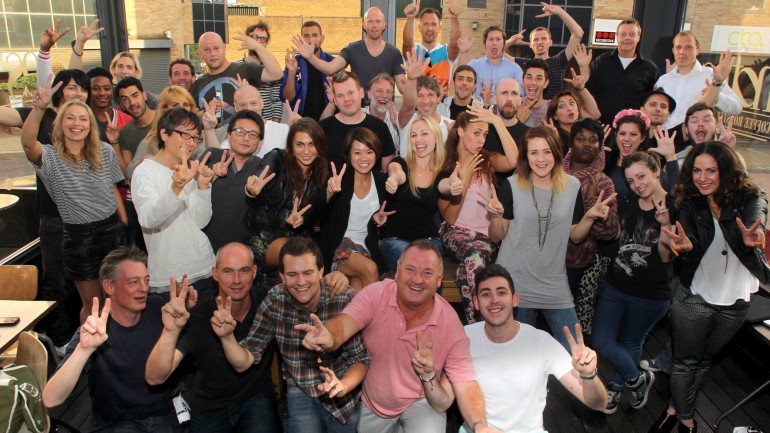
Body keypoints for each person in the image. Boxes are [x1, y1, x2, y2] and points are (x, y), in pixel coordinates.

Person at [296, 240, 502, 433]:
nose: (417, 279)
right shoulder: (376, 295)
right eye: (410, 269)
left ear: (439, 280)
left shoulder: (450, 323)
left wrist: (480, 424)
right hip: (375, 401)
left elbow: (465, 383)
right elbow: (344, 323)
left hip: (422, 400)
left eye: (427, 273)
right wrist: (328, 336)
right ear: (397, 273)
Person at [651, 142, 769, 433]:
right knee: (685, 362)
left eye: (711, 170)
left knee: (704, 360)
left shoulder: (751, 196)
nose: (703, 177)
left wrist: (754, 237)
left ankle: (673, 409)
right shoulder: (687, 200)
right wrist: (687, 245)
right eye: (697, 170)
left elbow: (757, 219)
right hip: (695, 296)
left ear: (726, 171)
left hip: (736, 300)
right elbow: (688, 235)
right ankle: (687, 422)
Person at [212, 237, 368, 433]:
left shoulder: (343, 298)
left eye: (307, 273)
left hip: (345, 392)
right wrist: (227, 337)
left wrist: (344, 385)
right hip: (301, 388)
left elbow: (360, 359)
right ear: (282, 277)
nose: (301, 282)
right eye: (292, 274)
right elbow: (244, 360)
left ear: (321, 272)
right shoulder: (275, 302)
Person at [486, 126, 615, 350]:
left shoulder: (573, 186)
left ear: (556, 152)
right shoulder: (512, 185)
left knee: (575, 350)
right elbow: (497, 235)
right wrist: (496, 217)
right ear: (526, 156)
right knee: (517, 353)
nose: (541, 159)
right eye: (533, 152)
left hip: (554, 283)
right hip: (515, 282)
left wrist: (589, 217)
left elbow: (575, 236)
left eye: (546, 151)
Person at [43, 246, 190, 432]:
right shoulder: (95, 329)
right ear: (109, 287)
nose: (144, 288)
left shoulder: (159, 309)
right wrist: (83, 350)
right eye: (133, 282)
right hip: (116, 423)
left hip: (161, 414)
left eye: (146, 280)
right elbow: (50, 398)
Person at [145, 242, 280, 432]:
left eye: (244, 270)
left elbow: (304, 287)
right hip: (210, 406)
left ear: (255, 272)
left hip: (255, 397)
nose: (236, 279)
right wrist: (170, 331)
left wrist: (336, 276)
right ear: (215, 274)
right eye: (228, 271)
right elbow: (155, 378)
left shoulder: (269, 300)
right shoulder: (199, 315)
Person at [22, 84, 127, 324]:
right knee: (93, 306)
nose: (76, 123)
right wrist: (39, 108)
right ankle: (89, 356)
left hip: (112, 230)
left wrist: (123, 220)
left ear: (91, 126)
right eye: (69, 118)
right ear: (60, 124)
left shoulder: (104, 151)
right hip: (79, 238)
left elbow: (114, 185)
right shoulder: (49, 156)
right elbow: (28, 144)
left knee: (118, 301)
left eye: (82, 119)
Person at [463, 264, 607, 432]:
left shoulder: (542, 343)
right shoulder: (464, 338)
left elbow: (598, 403)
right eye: (486, 294)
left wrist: (589, 375)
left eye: (501, 292)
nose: (494, 300)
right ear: (476, 303)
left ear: (515, 299)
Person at [592, 151, 674, 414]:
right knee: (602, 342)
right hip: (615, 285)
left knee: (631, 342)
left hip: (651, 294)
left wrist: (666, 225)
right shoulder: (626, 201)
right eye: (630, 180)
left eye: (641, 176)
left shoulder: (676, 206)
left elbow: (666, 256)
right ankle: (637, 379)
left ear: (656, 171)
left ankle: (616, 388)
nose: (637, 184)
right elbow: (613, 236)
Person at [440, 109, 518, 323]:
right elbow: (450, 219)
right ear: (461, 131)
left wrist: (497, 122)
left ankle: (474, 326)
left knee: (466, 274)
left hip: (485, 238)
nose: (481, 139)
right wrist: (462, 182)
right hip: (456, 234)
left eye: (485, 134)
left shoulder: (487, 160)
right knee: (474, 257)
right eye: (477, 133)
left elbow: (514, 161)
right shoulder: (447, 167)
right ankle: (488, 325)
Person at [131, 108, 216, 297]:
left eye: (195, 138)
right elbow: (148, 219)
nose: (191, 142)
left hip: (204, 266)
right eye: (185, 134)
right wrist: (176, 187)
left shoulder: (189, 169)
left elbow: (200, 221)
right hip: (169, 275)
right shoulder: (145, 171)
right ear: (164, 134)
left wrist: (202, 187)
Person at [244, 118, 329, 284]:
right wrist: (252, 189)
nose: (306, 151)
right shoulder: (278, 158)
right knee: (297, 254)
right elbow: (263, 171)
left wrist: (305, 217)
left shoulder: (323, 174)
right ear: (291, 146)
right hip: (264, 237)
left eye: (312, 144)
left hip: (301, 239)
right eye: (300, 144)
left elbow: (318, 213)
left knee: (305, 255)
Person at [380, 115, 458, 270]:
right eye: (413, 135)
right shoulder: (401, 163)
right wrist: (394, 179)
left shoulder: (441, 173)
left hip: (429, 241)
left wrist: (452, 185)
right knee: (416, 264)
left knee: (427, 269)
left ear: (436, 137)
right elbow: (396, 172)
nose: (418, 140)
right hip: (395, 240)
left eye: (424, 133)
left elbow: (444, 185)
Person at [321, 128, 391, 291]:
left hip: (365, 249)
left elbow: (387, 215)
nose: (364, 158)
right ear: (349, 155)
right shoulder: (340, 179)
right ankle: (376, 315)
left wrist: (377, 219)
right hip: (340, 247)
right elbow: (319, 210)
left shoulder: (381, 181)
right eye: (357, 153)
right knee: (370, 269)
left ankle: (358, 316)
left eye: (369, 152)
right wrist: (329, 194)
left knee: (357, 287)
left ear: (377, 153)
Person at [294, 7, 406, 95]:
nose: (374, 25)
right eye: (370, 21)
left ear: (384, 25)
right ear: (364, 25)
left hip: (384, 112)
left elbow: (402, 88)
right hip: (358, 112)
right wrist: (310, 57)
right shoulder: (352, 49)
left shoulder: (394, 53)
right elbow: (330, 68)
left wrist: (411, 79)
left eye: (378, 21)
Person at [562, 118, 619, 293]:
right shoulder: (552, 170)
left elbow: (609, 233)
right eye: (581, 139)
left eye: (593, 140)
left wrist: (591, 203)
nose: (587, 144)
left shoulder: (604, 183)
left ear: (600, 146)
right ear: (571, 142)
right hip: (542, 255)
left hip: (574, 260)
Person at [202, 110, 265, 252]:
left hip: (243, 252)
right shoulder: (211, 156)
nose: (246, 138)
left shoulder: (262, 169)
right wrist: (210, 178)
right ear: (229, 136)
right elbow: (191, 193)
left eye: (253, 134)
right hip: (203, 251)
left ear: (260, 142)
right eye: (239, 131)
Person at [188, 31, 282, 124]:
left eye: (216, 48)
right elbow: (190, 118)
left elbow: (276, 73)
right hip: (212, 137)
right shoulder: (197, 85)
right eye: (206, 50)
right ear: (200, 53)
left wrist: (257, 46)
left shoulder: (244, 69)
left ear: (224, 49)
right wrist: (204, 113)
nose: (212, 53)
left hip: (245, 136)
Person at [655, 31, 742, 130]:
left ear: (698, 50)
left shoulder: (710, 75)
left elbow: (737, 107)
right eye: (678, 47)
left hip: (697, 140)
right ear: (673, 50)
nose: (682, 51)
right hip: (664, 140)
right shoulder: (664, 80)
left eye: (688, 47)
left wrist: (715, 95)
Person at [586, 18, 659, 125]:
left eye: (632, 34)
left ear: (638, 37)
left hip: (633, 131)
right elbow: (588, 92)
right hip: (602, 127)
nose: (627, 38)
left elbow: (652, 102)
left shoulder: (650, 69)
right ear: (617, 37)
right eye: (623, 34)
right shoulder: (601, 62)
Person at [319, 70, 396, 170]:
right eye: (340, 95)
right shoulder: (323, 129)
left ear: (361, 93)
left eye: (350, 92)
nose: (346, 99)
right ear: (335, 100)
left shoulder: (380, 127)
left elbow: (389, 171)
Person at [507, 2, 586, 99]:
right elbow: (498, 54)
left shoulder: (559, 60)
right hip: (530, 112)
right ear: (530, 45)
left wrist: (559, 11)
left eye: (544, 39)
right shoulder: (524, 63)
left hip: (553, 112)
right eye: (536, 39)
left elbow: (578, 34)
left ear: (550, 42)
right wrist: (510, 41)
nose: (540, 42)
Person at [401, 1, 461, 93]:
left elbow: (455, 44)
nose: (429, 28)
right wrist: (410, 17)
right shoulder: (413, 51)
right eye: (425, 24)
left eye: (433, 24)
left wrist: (454, 18)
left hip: (441, 105)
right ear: (419, 27)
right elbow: (407, 43)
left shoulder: (446, 51)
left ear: (439, 28)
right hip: (416, 105)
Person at [397, 54, 450, 157]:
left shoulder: (450, 126)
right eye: (420, 96)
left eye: (430, 95)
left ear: (439, 97)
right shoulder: (407, 120)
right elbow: (408, 106)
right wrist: (411, 79)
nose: (426, 101)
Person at [282, 20, 335, 120]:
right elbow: (288, 98)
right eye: (306, 36)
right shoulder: (294, 62)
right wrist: (292, 73)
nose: (311, 40)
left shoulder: (332, 63)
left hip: (330, 120)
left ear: (322, 38)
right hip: (301, 122)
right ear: (302, 39)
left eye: (315, 35)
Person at [484, 77, 529, 184]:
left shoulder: (529, 135)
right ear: (494, 99)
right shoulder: (483, 132)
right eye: (504, 93)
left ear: (520, 100)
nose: (509, 98)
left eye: (514, 93)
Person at [463, 26, 524, 97]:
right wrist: (463, 53)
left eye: (498, 39)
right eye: (491, 39)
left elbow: (521, 93)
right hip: (478, 107)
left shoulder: (514, 68)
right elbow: (460, 78)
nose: (494, 43)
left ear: (504, 44)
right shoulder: (474, 65)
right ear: (485, 43)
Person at [242, 21, 283, 122]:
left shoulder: (273, 70)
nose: (258, 42)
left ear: (267, 43)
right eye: (254, 37)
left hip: (266, 124)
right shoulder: (237, 67)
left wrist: (274, 127)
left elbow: (276, 102)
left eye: (263, 39)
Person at [364, 73, 400, 151]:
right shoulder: (357, 115)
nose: (384, 95)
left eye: (388, 92)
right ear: (369, 94)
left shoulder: (396, 120)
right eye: (379, 91)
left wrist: (399, 126)